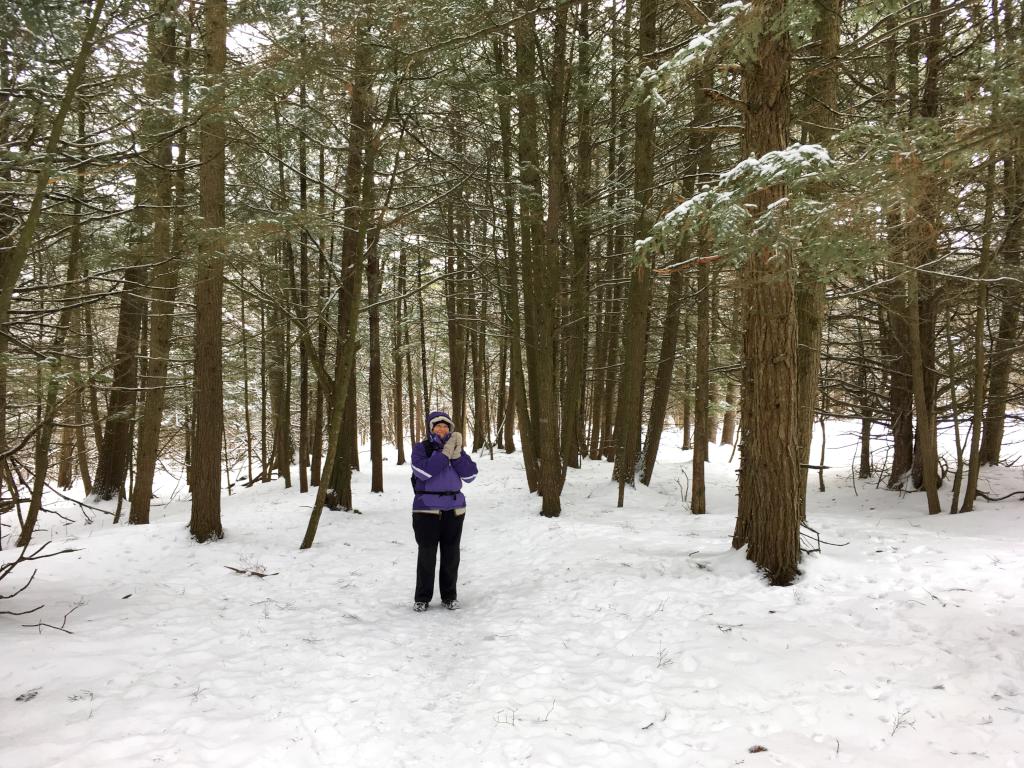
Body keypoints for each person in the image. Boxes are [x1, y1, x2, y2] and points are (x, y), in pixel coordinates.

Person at [410, 410, 478, 612]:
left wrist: (455, 455)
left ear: (450, 429)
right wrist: (445, 453)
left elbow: (471, 475)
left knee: (451, 554)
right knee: (427, 554)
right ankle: (422, 598)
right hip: (426, 509)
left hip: (454, 508)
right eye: (438, 426)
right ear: (431, 429)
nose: (442, 429)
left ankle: (449, 596)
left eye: (445, 426)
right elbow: (423, 471)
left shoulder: (456, 449)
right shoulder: (422, 448)